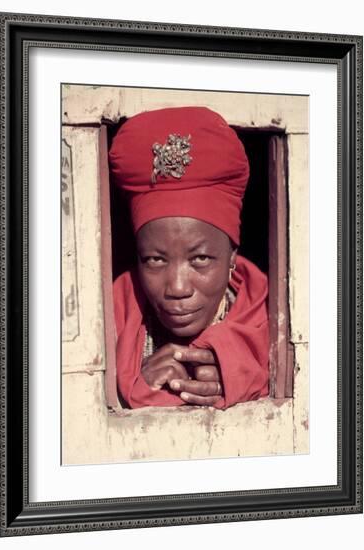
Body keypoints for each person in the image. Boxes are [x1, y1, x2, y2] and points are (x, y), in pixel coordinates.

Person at [109, 106, 269, 410]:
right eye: (155, 260)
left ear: (233, 255)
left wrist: (237, 370)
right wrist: (140, 385)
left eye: (201, 259)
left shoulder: (273, 319)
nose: (178, 287)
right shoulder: (109, 317)